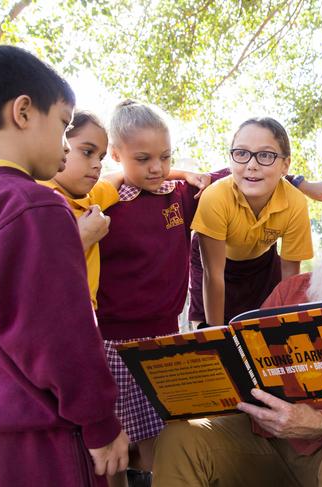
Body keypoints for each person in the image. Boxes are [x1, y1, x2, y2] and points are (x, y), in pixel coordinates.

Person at [153, 180, 322, 487]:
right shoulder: (291, 290)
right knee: (181, 436)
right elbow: (244, 367)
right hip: (261, 440)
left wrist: (318, 423)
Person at [0, 45, 128, 486]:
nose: (64, 144)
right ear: (24, 111)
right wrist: (101, 423)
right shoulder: (33, 205)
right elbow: (59, 334)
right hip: (43, 448)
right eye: (64, 124)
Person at [94, 100, 226, 486]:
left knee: (162, 435)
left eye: (165, 157)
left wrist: (188, 172)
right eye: (143, 158)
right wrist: (110, 182)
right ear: (116, 155)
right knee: (118, 442)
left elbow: (227, 176)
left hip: (166, 336)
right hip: (113, 341)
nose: (157, 167)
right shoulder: (106, 204)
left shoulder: (180, 196)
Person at [189, 117, 314, 326]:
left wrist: (286, 331)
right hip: (216, 265)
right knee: (211, 340)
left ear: (285, 165)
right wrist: (216, 334)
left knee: (266, 335)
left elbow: (290, 279)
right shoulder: (215, 197)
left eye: (265, 155)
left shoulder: (295, 203)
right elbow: (214, 277)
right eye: (241, 153)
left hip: (262, 263)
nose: (252, 165)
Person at [39, 110, 116, 308]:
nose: (97, 165)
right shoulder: (35, 200)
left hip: (84, 315)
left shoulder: (90, 198)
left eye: (101, 157)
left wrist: (185, 175)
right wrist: (82, 238)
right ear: (60, 143)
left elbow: (123, 177)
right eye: (87, 152)